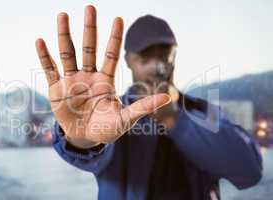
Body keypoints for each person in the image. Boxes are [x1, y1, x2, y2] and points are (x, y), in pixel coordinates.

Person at [35, 5, 262, 200]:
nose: (156, 64)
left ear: (175, 55)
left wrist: (175, 119)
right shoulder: (111, 112)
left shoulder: (204, 111)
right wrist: (83, 139)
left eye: (164, 53)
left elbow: (249, 170)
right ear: (128, 61)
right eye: (145, 56)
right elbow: (90, 156)